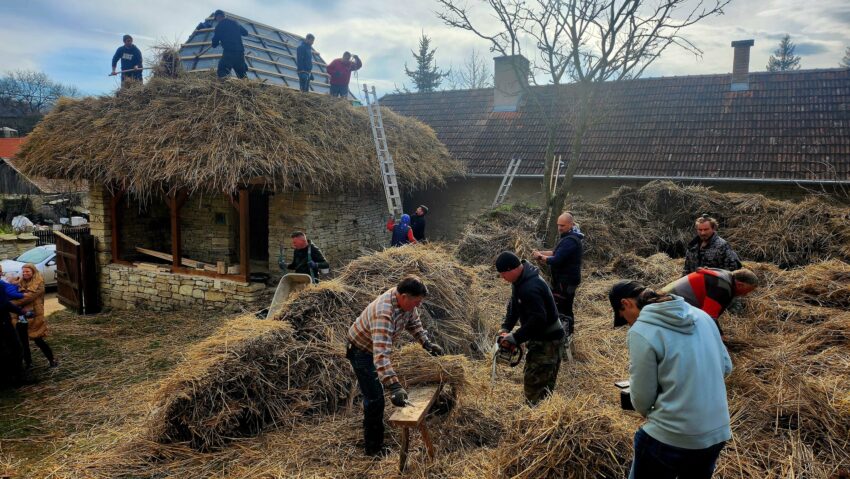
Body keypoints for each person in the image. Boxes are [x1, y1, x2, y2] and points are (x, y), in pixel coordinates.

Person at [609, 280, 732, 478]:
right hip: (716, 434)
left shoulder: (641, 330)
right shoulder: (701, 315)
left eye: (624, 318)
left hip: (671, 436)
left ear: (626, 303)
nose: (629, 323)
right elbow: (726, 367)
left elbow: (642, 400)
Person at [346, 275, 444, 456]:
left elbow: (413, 323)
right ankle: (373, 449)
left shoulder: (406, 303)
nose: (418, 306)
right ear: (404, 296)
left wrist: (427, 343)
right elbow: (380, 355)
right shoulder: (384, 313)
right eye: (416, 302)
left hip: (373, 350)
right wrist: (395, 385)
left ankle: (377, 436)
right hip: (362, 352)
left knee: (377, 395)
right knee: (375, 399)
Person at [495, 252, 565, 405]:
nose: (502, 278)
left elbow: (539, 319)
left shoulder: (530, 287)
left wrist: (516, 337)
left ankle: (536, 414)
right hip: (540, 336)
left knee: (535, 382)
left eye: (503, 274)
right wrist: (506, 327)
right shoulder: (520, 280)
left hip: (548, 341)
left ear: (511, 269)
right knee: (537, 380)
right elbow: (514, 306)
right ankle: (540, 411)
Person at [661, 268, 758, 339]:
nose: (745, 295)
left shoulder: (724, 276)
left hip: (666, 298)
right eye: (747, 291)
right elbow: (707, 317)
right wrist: (719, 337)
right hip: (667, 304)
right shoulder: (722, 287)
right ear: (740, 285)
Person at [532, 212, 583, 338]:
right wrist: (540, 252)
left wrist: (540, 257)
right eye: (558, 225)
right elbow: (555, 252)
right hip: (564, 280)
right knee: (564, 306)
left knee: (563, 308)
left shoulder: (570, 241)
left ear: (571, 224)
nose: (560, 228)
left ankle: (565, 335)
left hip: (566, 281)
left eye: (563, 225)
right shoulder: (568, 237)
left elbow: (556, 259)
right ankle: (566, 334)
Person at [12, 264, 56, 368]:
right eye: (23, 271)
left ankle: (52, 360)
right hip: (21, 315)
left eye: (27, 271)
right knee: (23, 341)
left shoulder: (38, 283)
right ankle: (29, 363)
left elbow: (28, 298)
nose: (25, 273)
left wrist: (9, 303)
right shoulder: (20, 282)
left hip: (34, 314)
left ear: (33, 272)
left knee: (38, 338)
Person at [211, 9, 249, 79]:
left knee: (222, 70)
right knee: (242, 74)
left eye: (216, 18)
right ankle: (248, 89)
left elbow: (214, 44)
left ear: (218, 17)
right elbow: (245, 33)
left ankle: (224, 87)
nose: (217, 20)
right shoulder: (235, 23)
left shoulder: (219, 26)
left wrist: (214, 42)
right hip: (240, 53)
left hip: (229, 52)